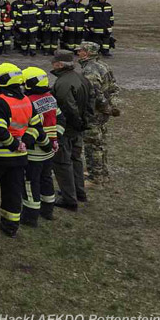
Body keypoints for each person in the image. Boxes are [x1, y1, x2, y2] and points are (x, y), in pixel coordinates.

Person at [0, 63, 46, 237]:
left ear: (2, 81)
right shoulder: (26, 101)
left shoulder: (0, 102)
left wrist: (14, 144)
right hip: (19, 158)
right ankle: (10, 225)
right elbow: (36, 126)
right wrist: (24, 143)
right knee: (12, 192)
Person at [50, 50, 92, 210]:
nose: (52, 64)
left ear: (59, 64)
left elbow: (68, 107)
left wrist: (75, 123)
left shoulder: (63, 83)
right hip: (78, 127)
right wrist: (84, 122)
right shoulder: (81, 78)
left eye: (54, 62)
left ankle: (69, 199)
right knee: (76, 160)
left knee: (62, 162)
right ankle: (79, 192)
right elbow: (91, 100)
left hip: (67, 129)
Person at [20, 67, 62, 226]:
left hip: (35, 152)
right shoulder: (50, 98)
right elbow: (60, 120)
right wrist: (55, 139)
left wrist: (28, 143)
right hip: (50, 151)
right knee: (46, 180)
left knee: (30, 183)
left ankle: (30, 217)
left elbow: (31, 129)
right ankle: (48, 210)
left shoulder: (29, 102)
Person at [78, 41, 120, 186]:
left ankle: (95, 177)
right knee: (100, 143)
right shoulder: (103, 66)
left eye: (81, 50)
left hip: (94, 113)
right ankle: (102, 172)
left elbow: (95, 94)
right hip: (102, 112)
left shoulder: (89, 70)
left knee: (92, 145)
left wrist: (104, 107)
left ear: (88, 53)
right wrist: (112, 107)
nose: (78, 52)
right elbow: (114, 87)